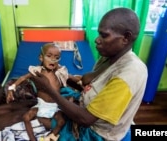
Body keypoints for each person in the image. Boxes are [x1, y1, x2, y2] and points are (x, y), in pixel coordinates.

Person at [30, 7, 148, 141]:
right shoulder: (110, 57)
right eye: (99, 34)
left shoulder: (129, 74)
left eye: (104, 35)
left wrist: (49, 89)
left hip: (97, 133)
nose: (97, 40)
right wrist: (65, 76)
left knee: (44, 120)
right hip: (85, 104)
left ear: (126, 37)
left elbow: (86, 119)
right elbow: (90, 81)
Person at [6, 43, 80, 141]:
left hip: (55, 105)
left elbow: (71, 77)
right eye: (49, 56)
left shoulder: (60, 72)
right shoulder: (37, 71)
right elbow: (23, 78)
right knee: (26, 117)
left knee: (61, 121)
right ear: (41, 58)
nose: (52, 59)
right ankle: (32, 138)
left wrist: (81, 82)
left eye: (56, 57)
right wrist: (12, 88)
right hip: (41, 104)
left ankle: (51, 136)